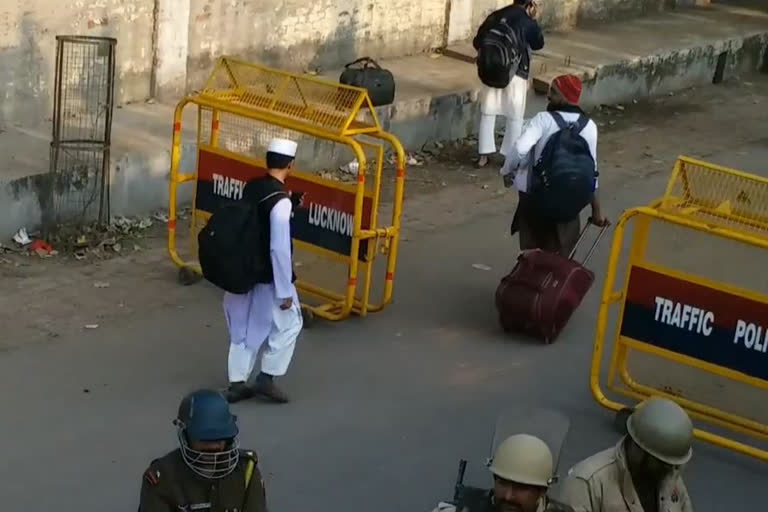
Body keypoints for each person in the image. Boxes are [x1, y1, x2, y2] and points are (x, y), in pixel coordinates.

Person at [223, 138, 304, 404]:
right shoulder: (281, 202)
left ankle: (237, 382)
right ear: (290, 165)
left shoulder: (253, 187)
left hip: (242, 270)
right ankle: (267, 378)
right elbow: (279, 250)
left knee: (242, 328)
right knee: (290, 323)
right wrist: (285, 291)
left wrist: (290, 203)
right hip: (267, 277)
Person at [500, 74, 607, 257]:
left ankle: (531, 273)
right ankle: (555, 279)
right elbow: (593, 172)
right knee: (563, 253)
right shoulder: (590, 126)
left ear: (565, 97)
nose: (549, 96)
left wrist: (507, 172)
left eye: (554, 93)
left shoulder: (543, 120)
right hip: (573, 201)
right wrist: (596, 211)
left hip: (538, 199)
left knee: (534, 250)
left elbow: (519, 149)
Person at [552, 398, 694, 512]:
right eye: (660, 463)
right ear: (638, 448)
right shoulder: (587, 483)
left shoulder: (668, 474)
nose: (668, 470)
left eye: (671, 465)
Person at [138, 389, 268, 512]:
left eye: (219, 439)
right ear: (186, 435)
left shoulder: (247, 471)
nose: (213, 447)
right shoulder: (161, 477)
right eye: (204, 439)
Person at [474, 0, 544, 168]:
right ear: (530, 4)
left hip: (491, 69)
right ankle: (509, 157)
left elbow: (477, 41)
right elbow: (538, 44)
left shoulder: (496, 15)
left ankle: (483, 156)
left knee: (488, 112)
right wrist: (535, 19)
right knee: (515, 116)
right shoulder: (527, 21)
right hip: (517, 72)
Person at [432, 434, 574, 512]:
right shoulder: (467, 508)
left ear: (542, 490)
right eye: (502, 482)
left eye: (521, 487)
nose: (508, 496)